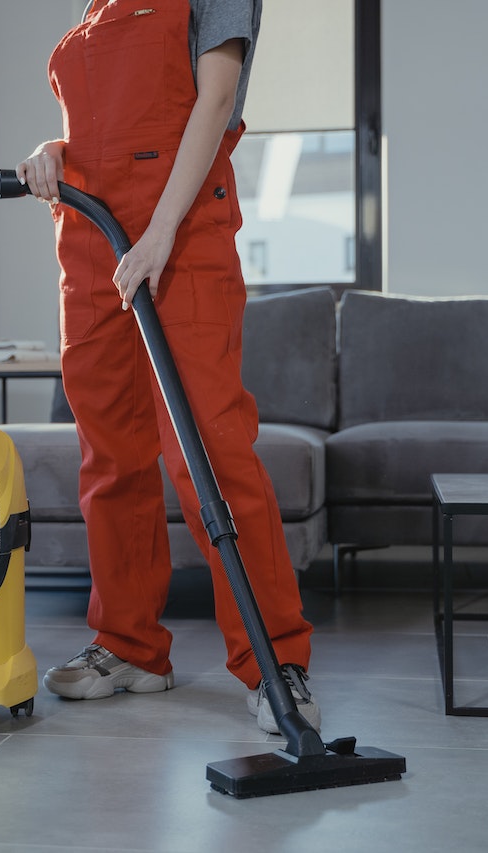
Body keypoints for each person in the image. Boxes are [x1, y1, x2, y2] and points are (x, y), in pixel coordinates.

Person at [16, 0, 318, 734]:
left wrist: (158, 234)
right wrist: (52, 155)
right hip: (91, 243)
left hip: (179, 238)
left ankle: (276, 661)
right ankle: (130, 648)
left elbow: (215, 96)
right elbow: (99, 131)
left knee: (210, 452)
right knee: (111, 457)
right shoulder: (96, 8)